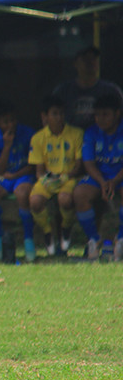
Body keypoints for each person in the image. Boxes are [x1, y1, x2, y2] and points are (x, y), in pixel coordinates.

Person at [26, 95, 84, 260]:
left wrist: (65, 177)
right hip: (49, 180)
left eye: (61, 113)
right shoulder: (38, 138)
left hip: (68, 178)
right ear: (45, 117)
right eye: (55, 114)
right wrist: (45, 179)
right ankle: (47, 232)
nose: (59, 117)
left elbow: (78, 166)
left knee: (65, 199)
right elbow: (38, 171)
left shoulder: (76, 134)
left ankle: (66, 228)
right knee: (35, 202)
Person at [73, 92, 123, 260]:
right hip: (99, 177)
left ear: (117, 113)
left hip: (119, 176)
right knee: (80, 193)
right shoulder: (91, 132)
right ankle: (94, 239)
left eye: (105, 114)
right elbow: (89, 163)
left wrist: (114, 180)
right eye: (97, 115)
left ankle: (120, 238)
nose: (100, 119)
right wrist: (103, 182)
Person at [0, 100, 35, 260]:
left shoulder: (28, 134)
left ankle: (28, 239)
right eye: (6, 122)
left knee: (22, 193)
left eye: (13, 120)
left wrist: (15, 175)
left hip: (23, 175)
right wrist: (6, 147)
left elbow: (33, 165)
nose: (11, 124)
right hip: (4, 178)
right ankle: (0, 238)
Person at [52, 45, 123, 130]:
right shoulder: (63, 91)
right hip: (70, 140)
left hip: (103, 140)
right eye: (85, 59)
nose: (90, 63)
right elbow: (52, 118)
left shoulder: (111, 91)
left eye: (94, 59)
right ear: (75, 63)